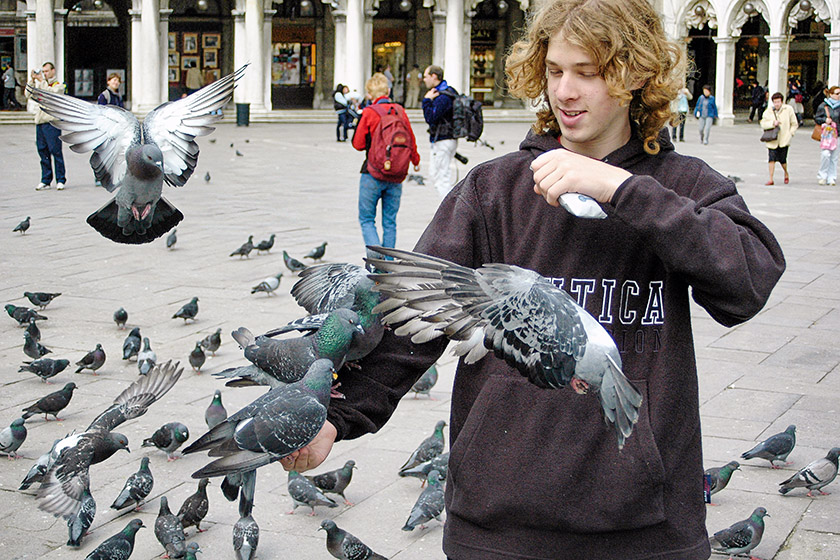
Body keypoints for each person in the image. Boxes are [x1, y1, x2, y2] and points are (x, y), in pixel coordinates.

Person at [281, 1, 786, 559]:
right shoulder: (494, 190)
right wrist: (336, 415)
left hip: (643, 529)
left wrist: (622, 190)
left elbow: (748, 282)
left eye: (588, 73)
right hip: (501, 524)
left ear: (637, 72)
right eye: (554, 70)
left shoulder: (682, 185)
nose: (564, 91)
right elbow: (411, 317)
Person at [351, 73, 419, 257]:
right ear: (388, 91)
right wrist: (415, 161)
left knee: (367, 220)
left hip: (372, 173)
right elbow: (411, 139)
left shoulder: (369, 112)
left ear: (369, 94)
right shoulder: (400, 110)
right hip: (396, 174)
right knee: (390, 222)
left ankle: (376, 260)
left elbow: (357, 144)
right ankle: (388, 264)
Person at [25, 62, 67, 191]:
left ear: (53, 71)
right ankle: (46, 179)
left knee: (55, 151)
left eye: (47, 71)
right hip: (40, 122)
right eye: (43, 71)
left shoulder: (59, 85)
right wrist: (32, 81)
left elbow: (50, 95)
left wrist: (42, 81)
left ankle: (60, 179)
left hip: (52, 122)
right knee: (42, 151)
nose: (44, 74)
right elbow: (29, 94)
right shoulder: (41, 85)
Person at [422, 64, 458, 198]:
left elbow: (430, 117)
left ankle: (451, 213)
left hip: (443, 140)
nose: (424, 80)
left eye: (426, 76)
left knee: (441, 178)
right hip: (444, 139)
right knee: (437, 174)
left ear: (434, 76)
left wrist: (426, 101)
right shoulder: (449, 92)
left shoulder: (443, 96)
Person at [760, 91, 798, 185]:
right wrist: (772, 123)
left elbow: (794, 123)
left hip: (784, 139)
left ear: (782, 102)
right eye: (775, 102)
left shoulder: (788, 109)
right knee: (771, 158)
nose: (777, 104)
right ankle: (771, 178)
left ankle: (786, 173)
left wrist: (790, 133)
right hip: (772, 139)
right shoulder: (768, 111)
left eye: (778, 102)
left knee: (782, 160)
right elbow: (763, 123)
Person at [814, 85, 840, 186]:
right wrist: (825, 120)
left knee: (834, 156)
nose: (839, 96)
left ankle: (831, 177)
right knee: (825, 154)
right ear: (831, 94)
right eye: (837, 94)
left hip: (836, 134)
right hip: (826, 134)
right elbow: (817, 118)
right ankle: (822, 175)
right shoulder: (824, 105)